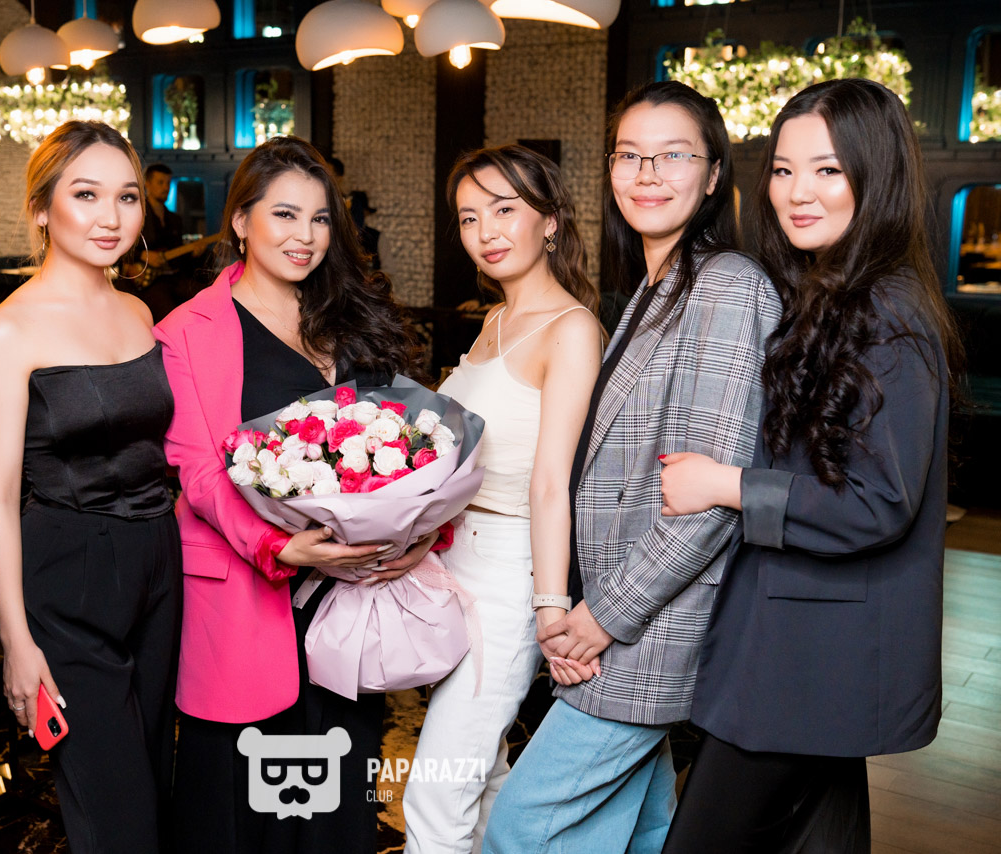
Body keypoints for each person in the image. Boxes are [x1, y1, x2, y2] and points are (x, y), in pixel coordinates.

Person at [658, 78, 961, 854]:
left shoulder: (888, 313)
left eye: (827, 170)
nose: (798, 192)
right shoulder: (828, 292)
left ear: (875, 175)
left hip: (807, 661)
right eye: (784, 170)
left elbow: (878, 503)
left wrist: (724, 485)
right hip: (809, 653)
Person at [483, 81, 781, 854]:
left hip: (648, 632)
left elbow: (707, 500)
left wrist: (599, 619)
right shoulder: (656, 287)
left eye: (673, 155)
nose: (647, 173)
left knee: (519, 826)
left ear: (713, 175)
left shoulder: (726, 285)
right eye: (629, 155)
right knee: (639, 834)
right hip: (621, 621)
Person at [157, 135, 429, 854]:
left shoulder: (347, 316)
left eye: (319, 218)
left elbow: (407, 446)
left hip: (348, 602)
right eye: (284, 214)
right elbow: (201, 473)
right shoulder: (187, 332)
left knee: (336, 808)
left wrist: (422, 533)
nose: (304, 235)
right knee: (241, 812)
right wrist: (279, 547)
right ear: (240, 221)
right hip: (247, 595)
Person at [0, 121, 179, 853]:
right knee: (113, 806)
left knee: (154, 777)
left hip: (160, 560)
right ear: (40, 208)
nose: (111, 217)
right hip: (69, 572)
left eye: (127, 197)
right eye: (86, 195)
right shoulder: (7, 332)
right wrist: (15, 640)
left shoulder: (139, 312)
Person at [402, 144, 603, 854]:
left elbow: (554, 480)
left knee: (437, 786)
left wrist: (550, 607)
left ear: (549, 220)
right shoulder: (493, 321)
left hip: (509, 568)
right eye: (468, 217)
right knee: (482, 773)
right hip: (453, 560)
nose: (484, 231)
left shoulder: (570, 328)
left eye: (503, 209)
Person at [131, 162, 197, 318]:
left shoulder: (175, 219)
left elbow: (179, 256)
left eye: (168, 183)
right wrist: (143, 255)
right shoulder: (135, 215)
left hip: (173, 276)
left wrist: (194, 253)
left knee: (204, 294)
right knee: (168, 311)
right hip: (148, 281)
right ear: (147, 184)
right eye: (160, 182)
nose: (166, 187)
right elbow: (121, 249)